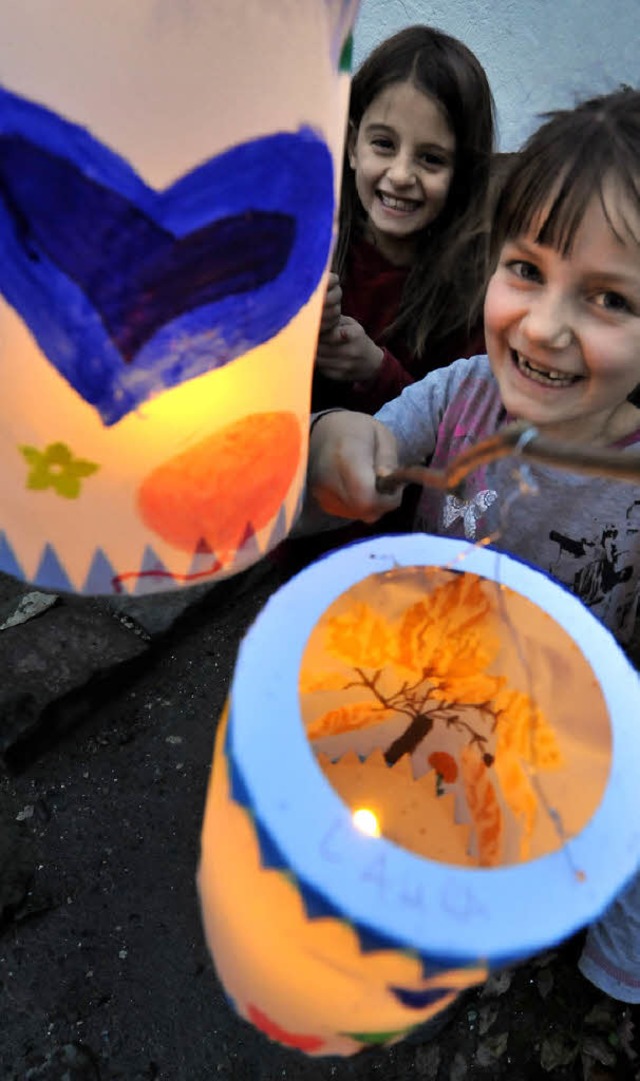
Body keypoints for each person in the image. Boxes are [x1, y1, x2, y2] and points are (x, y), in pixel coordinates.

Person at [305, 86, 640, 1004]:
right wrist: (342, 441)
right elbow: (357, 436)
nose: (542, 325)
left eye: (608, 297)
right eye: (526, 270)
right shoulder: (459, 394)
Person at [312, 25, 495, 415]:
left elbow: (458, 430)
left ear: (463, 173)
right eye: (384, 144)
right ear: (352, 146)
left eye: (431, 158)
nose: (400, 174)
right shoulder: (310, 238)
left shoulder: (473, 295)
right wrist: (292, 319)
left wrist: (375, 371)